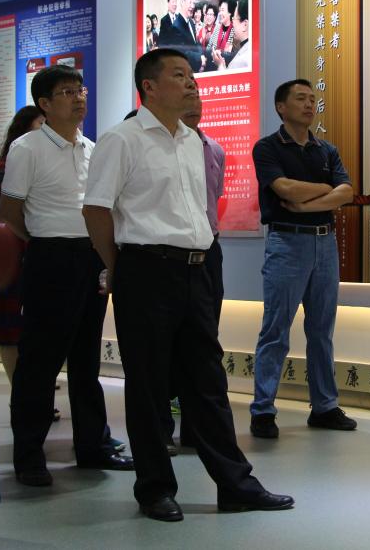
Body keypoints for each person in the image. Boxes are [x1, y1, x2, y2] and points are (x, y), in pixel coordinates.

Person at [83, 48, 292, 521]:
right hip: (145, 270)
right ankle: (155, 488)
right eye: (179, 75)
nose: (191, 84)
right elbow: (96, 209)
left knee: (208, 380)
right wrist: (118, 267)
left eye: (191, 76)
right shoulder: (121, 140)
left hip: (197, 270)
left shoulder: (192, 141)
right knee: (148, 384)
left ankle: (236, 485)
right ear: (150, 87)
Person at [0, 65, 133, 487]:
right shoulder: (27, 147)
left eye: (81, 90)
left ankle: (92, 446)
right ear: (44, 103)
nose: (78, 98)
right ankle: (29, 456)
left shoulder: (92, 148)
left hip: (91, 256)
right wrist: (43, 241)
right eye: (67, 92)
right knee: (40, 361)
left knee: (86, 358)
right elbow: (10, 211)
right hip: (51, 257)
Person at [248, 78, 355, 439]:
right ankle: (263, 409)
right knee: (275, 329)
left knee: (322, 330)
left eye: (313, 99)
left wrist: (309, 203)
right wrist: (326, 190)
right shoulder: (267, 148)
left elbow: (346, 193)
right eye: (301, 99)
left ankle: (324, 406)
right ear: (281, 107)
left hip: (325, 243)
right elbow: (285, 189)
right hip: (287, 243)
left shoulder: (327, 150)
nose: (310, 104)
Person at [163, 76, 226, 452]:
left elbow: (213, 199)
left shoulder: (214, 149)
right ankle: (163, 426)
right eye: (187, 97)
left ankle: (196, 428)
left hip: (208, 249)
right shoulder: (158, 146)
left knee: (204, 340)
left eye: (198, 97)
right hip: (167, 254)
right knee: (167, 342)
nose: (194, 103)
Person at [0, 105, 44, 380]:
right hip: (15, 256)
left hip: (40, 254)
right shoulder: (7, 165)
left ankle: (32, 383)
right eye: (40, 125)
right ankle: (19, 386)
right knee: (11, 328)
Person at [214, 0, 249, 71]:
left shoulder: (242, 60)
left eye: (234, 17)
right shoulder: (217, 28)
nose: (220, 13)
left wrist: (220, 65)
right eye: (219, 10)